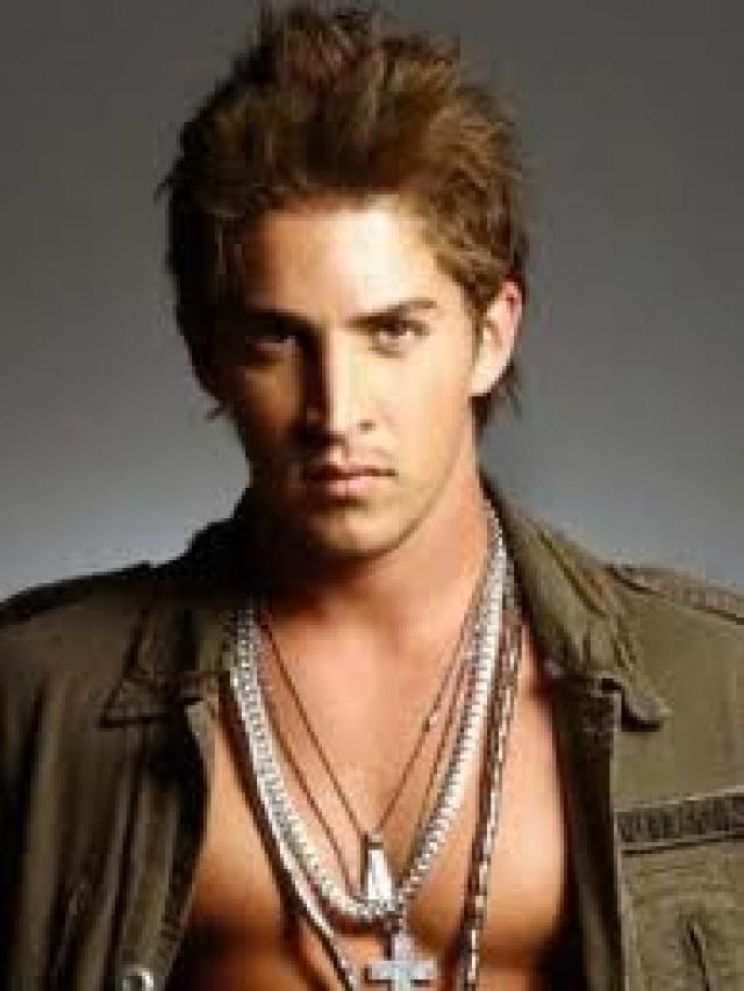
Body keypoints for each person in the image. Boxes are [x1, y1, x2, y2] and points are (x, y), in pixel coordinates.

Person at [2, 4, 743, 990]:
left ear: (491, 334)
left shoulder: (718, 690)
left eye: (392, 331)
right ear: (208, 352)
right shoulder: (39, 694)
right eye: (278, 337)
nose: (337, 409)